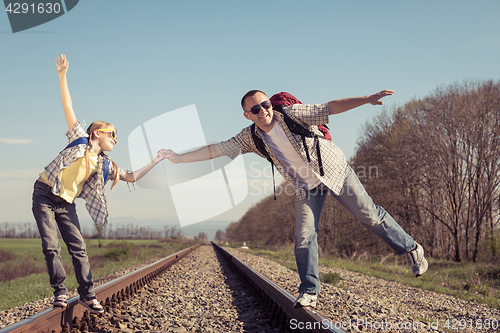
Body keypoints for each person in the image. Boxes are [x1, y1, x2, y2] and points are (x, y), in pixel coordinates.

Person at [160, 89, 428, 308]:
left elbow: (330, 107)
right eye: (256, 109)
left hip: (334, 171)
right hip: (305, 186)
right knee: (304, 234)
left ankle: (412, 249)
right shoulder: (250, 137)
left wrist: (365, 100)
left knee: (368, 215)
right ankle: (310, 290)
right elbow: (215, 150)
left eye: (265, 104)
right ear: (247, 115)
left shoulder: (291, 114)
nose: (263, 111)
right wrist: (178, 157)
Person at [32, 54, 168, 313]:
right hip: (44, 194)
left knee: (78, 248)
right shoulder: (79, 139)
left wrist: (156, 160)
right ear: (97, 134)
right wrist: (62, 77)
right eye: (112, 134)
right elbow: (68, 107)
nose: (116, 139)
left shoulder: (106, 166)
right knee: (51, 245)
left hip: (65, 203)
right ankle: (60, 292)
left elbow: (132, 177)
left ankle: (87, 293)